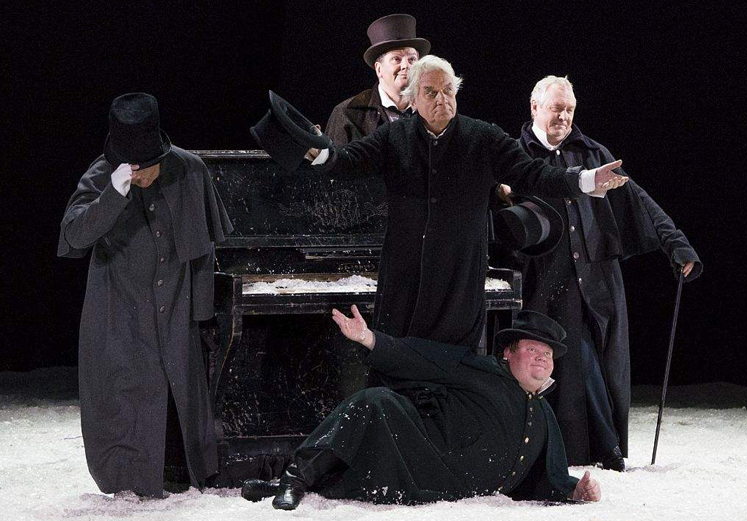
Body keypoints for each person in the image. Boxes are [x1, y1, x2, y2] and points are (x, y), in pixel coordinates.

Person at [301, 56, 629, 350]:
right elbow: (350, 160)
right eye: (431, 92)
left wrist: (586, 179)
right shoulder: (394, 137)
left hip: (459, 278)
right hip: (404, 278)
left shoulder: (482, 137)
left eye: (448, 91)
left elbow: (534, 173)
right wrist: (320, 153)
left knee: (454, 366)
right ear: (413, 99)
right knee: (396, 358)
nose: (442, 99)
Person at [497, 76, 702, 471]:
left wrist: (675, 243)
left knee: (602, 361)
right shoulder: (513, 155)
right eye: (556, 108)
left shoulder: (591, 153)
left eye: (570, 109)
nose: (564, 116)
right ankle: (589, 448)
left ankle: (599, 447)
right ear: (534, 107)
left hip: (596, 276)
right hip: (544, 279)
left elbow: (636, 198)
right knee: (565, 361)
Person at [240, 308, 602, 509]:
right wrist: (368, 338)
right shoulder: (480, 370)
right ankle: (294, 478)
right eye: (532, 349)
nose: (541, 357)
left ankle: (276, 489)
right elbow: (416, 359)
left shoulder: (544, 415)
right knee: (375, 401)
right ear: (508, 353)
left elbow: (543, 476)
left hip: (438, 492)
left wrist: (573, 491)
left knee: (350, 486)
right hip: (421, 459)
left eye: (547, 354)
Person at [57, 92, 233, 497]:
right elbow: (73, 236)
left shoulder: (190, 169)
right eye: (131, 170)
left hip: (176, 308)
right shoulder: (102, 175)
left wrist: (201, 315)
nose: (139, 176)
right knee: (125, 395)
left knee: (180, 395)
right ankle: (127, 479)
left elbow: (204, 250)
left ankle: (185, 471)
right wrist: (112, 195)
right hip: (119, 308)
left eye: (144, 168)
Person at [324, 14, 430, 145]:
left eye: (412, 59)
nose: (406, 66)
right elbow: (335, 158)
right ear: (379, 69)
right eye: (396, 59)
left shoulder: (432, 108)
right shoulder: (348, 113)